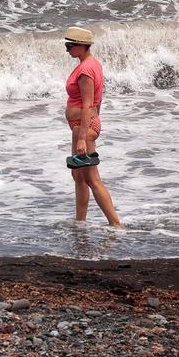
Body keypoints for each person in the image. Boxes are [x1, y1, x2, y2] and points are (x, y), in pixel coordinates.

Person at [63, 26, 122, 226]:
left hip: (84, 129)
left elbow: (89, 103)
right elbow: (98, 100)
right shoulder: (91, 64)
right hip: (83, 126)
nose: (67, 49)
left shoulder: (86, 69)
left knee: (92, 179)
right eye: (66, 45)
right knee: (77, 176)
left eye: (70, 45)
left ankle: (116, 224)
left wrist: (82, 137)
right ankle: (80, 222)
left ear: (82, 46)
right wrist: (95, 120)